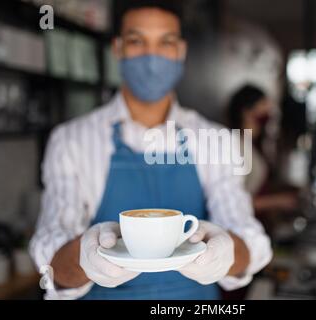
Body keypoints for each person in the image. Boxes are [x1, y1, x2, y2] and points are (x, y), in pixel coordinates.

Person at [29, 1, 272, 300]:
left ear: (180, 52)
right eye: (137, 41)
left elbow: (248, 237)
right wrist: (85, 259)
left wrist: (226, 253)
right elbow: (51, 260)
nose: (152, 57)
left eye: (165, 42)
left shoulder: (216, 140)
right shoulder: (71, 141)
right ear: (117, 49)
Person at [227, 85, 298, 214]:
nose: (269, 110)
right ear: (246, 111)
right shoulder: (236, 146)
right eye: (264, 104)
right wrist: (278, 201)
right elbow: (233, 203)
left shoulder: (255, 144)